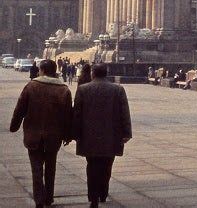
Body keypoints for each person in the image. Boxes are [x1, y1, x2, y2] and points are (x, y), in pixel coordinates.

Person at [10, 59, 72, 208]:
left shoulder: (31, 86)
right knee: (51, 167)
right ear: (55, 71)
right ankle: (49, 197)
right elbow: (68, 116)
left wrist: (14, 126)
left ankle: (39, 199)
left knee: (36, 169)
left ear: (42, 70)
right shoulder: (64, 90)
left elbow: (20, 109)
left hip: (33, 134)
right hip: (54, 136)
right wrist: (68, 135)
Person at [72, 63, 132, 208]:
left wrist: (74, 133)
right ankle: (103, 192)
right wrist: (126, 133)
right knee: (106, 165)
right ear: (106, 73)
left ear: (93, 73)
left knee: (91, 166)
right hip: (111, 135)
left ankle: (93, 197)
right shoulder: (118, 89)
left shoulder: (83, 89)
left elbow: (77, 114)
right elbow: (125, 112)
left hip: (89, 135)